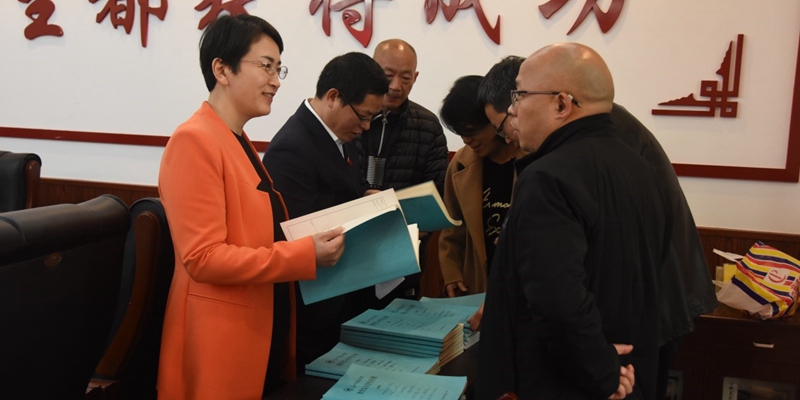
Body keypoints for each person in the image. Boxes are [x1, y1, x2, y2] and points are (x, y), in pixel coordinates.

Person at [474, 54, 718, 399]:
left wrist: (601, 369)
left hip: (570, 378)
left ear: (561, 104)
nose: (513, 110)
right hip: (628, 366)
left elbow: (558, 299)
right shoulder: (638, 166)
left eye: (520, 95)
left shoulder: (548, 177)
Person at [157, 15, 345, 400]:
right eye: (266, 66)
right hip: (217, 341)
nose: (276, 81)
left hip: (257, 332)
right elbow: (203, 258)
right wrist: (303, 255)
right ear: (222, 69)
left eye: (279, 69)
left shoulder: (235, 139)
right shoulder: (194, 140)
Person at [262, 52, 389, 370]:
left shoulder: (342, 134)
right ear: (333, 97)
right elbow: (295, 234)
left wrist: (367, 197)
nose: (366, 126)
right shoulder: (291, 148)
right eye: (363, 116)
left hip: (344, 297)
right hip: (314, 308)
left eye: (372, 118)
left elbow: (349, 187)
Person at [353, 39, 449, 304]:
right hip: (351, 250)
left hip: (403, 255)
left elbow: (438, 190)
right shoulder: (349, 116)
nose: (396, 86)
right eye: (388, 75)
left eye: (406, 78)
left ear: (415, 77)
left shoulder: (427, 125)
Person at [437, 75, 521, 299]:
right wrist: (452, 274)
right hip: (476, 285)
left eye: (472, 131)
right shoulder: (461, 164)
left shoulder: (531, 159)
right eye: (460, 133)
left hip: (522, 282)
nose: (466, 140)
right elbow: (452, 228)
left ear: (494, 120)